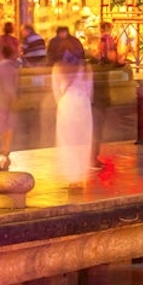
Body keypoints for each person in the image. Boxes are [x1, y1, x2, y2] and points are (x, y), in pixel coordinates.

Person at [51, 44, 92, 188]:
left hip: (66, 103)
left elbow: (56, 92)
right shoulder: (86, 68)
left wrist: (60, 104)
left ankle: (71, 176)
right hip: (83, 103)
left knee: (67, 140)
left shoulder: (57, 68)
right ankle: (81, 175)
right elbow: (89, 90)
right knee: (83, 139)